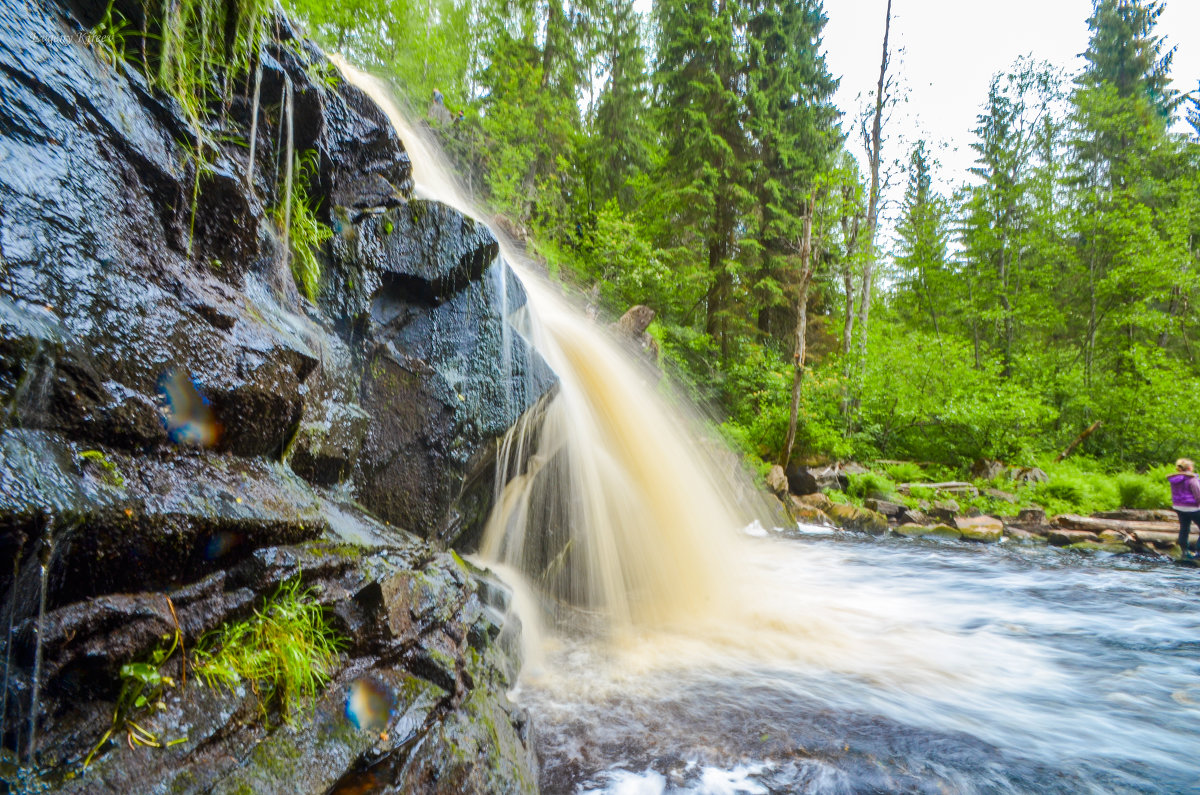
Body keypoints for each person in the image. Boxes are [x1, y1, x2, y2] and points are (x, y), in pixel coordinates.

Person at [1167, 458, 1200, 558]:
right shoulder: (1192, 479)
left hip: (1178, 507)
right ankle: (1198, 552)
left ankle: (1184, 552)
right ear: (1190, 468)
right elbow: (1198, 494)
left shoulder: (1174, 480)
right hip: (1192, 507)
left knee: (1184, 528)